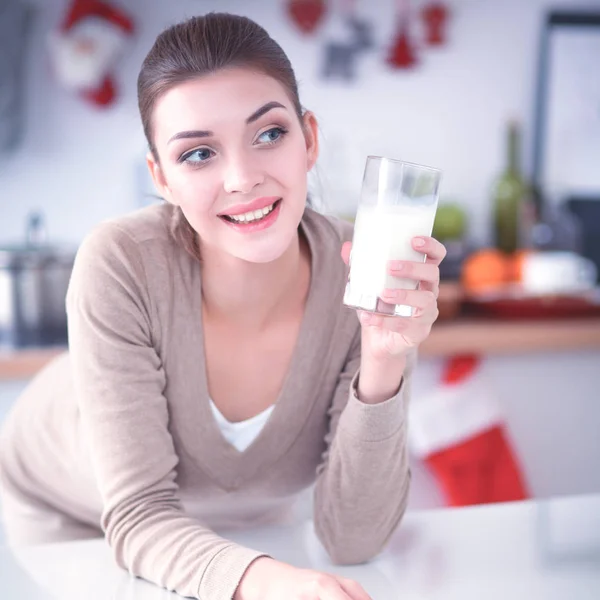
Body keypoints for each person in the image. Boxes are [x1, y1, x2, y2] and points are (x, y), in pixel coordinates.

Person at [0, 12, 446, 600]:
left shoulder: (361, 271)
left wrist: (383, 360)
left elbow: (352, 541)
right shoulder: (121, 263)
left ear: (308, 140)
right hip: (74, 513)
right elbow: (138, 517)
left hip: (234, 527)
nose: (242, 179)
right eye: (198, 155)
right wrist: (275, 583)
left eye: (269, 135)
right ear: (161, 177)